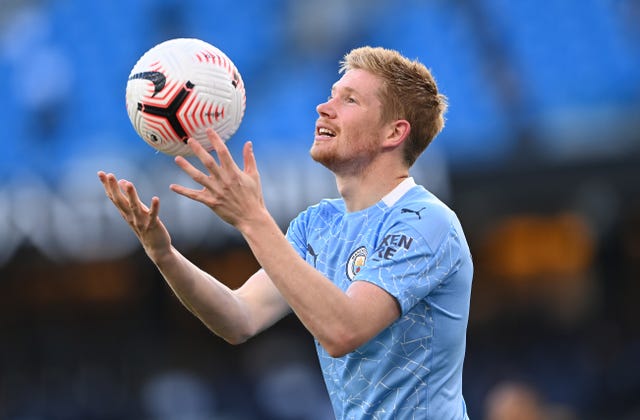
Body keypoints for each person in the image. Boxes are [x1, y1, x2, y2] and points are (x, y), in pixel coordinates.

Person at [98, 46, 473, 419]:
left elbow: (344, 330)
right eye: (331, 95)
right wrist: (163, 255)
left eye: (350, 100)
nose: (323, 108)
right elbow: (239, 317)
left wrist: (251, 218)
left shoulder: (425, 221)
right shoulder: (318, 224)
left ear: (394, 132)